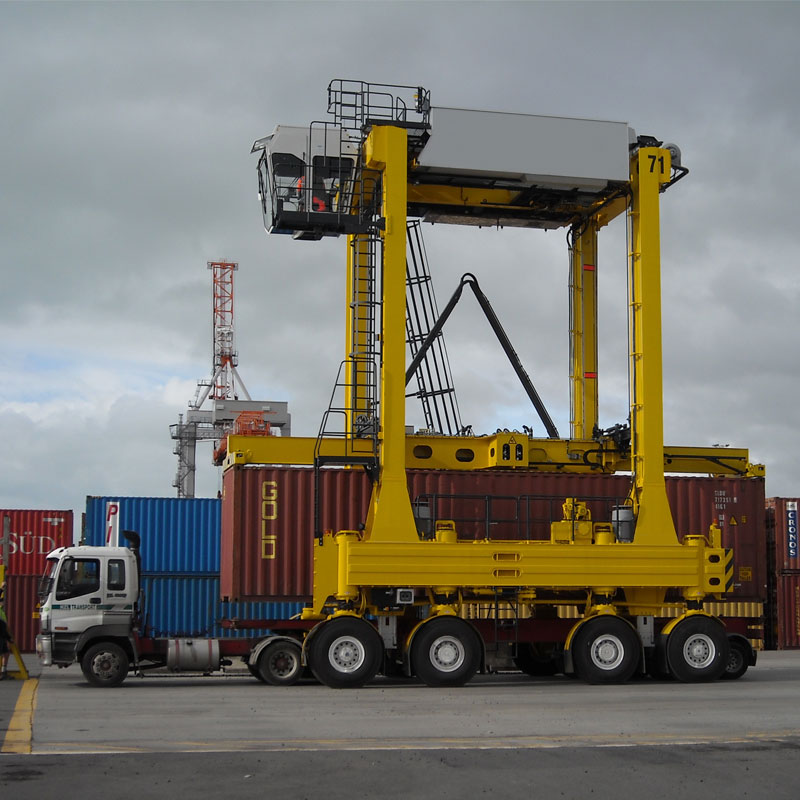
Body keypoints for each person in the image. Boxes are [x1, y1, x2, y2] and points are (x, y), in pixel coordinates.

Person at [0, 587, 11, 679]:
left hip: (2, 634)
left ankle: (3, 672)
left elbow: (4, 625)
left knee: (6, 653)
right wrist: (2, 588)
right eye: (1, 601)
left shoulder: (2, 611)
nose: (3, 602)